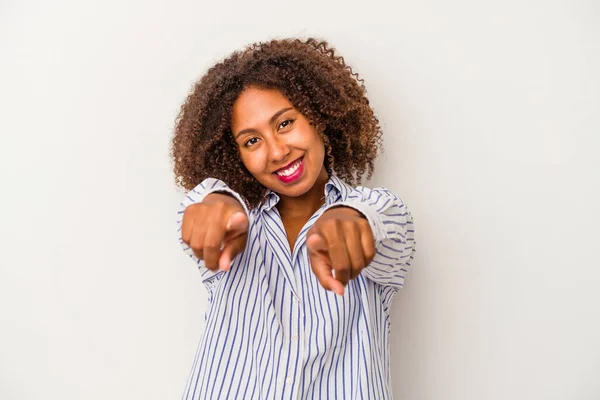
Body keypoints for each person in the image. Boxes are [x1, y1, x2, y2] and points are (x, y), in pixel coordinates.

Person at [172, 37, 415, 399]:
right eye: (251, 141)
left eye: (285, 123)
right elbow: (200, 208)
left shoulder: (378, 211)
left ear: (318, 115)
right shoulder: (229, 223)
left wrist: (352, 221)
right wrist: (216, 200)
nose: (277, 151)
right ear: (233, 155)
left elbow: (385, 222)